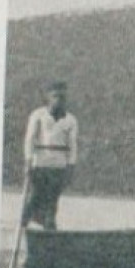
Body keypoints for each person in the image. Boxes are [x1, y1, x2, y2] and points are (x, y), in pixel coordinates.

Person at [22, 80, 79, 231]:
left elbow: (72, 146)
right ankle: (22, 229)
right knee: (34, 198)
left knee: (52, 203)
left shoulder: (70, 120)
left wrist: (71, 166)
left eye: (62, 97)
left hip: (58, 166)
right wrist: (28, 162)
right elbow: (29, 139)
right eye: (55, 96)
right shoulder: (38, 115)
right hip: (40, 164)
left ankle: (49, 232)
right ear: (48, 97)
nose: (59, 100)